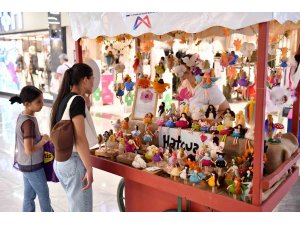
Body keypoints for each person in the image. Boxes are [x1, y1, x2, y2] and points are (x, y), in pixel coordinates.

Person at [50, 63, 98, 212]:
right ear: (84, 80)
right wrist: (89, 169)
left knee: (75, 208)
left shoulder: (64, 99)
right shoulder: (77, 100)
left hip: (61, 162)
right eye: (92, 79)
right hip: (74, 162)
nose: (93, 82)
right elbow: (80, 137)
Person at [9, 86, 53, 212]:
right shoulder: (28, 122)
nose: (42, 104)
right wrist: (43, 141)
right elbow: (29, 149)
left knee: (29, 196)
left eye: (42, 100)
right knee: (44, 196)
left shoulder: (23, 116)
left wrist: (39, 137)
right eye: (38, 102)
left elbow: (28, 141)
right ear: (28, 104)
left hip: (25, 164)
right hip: (33, 166)